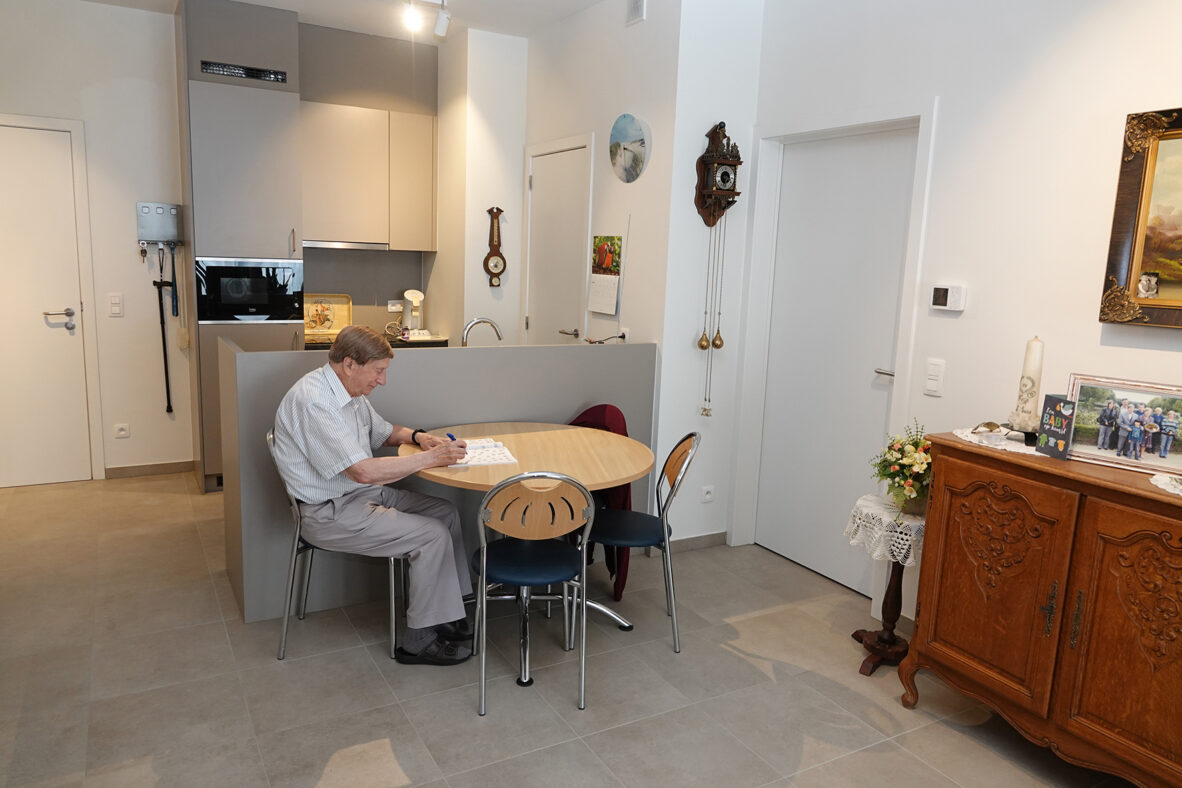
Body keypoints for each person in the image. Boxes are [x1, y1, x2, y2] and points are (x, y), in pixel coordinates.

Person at [271, 325, 474, 666]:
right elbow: (362, 471)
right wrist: (432, 459)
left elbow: (384, 432)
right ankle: (418, 641)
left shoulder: (349, 393)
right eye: (378, 371)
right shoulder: (314, 402)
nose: (382, 381)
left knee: (446, 513)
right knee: (432, 534)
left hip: (361, 495)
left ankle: (447, 613)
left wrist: (419, 437)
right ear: (349, 364)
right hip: (327, 513)